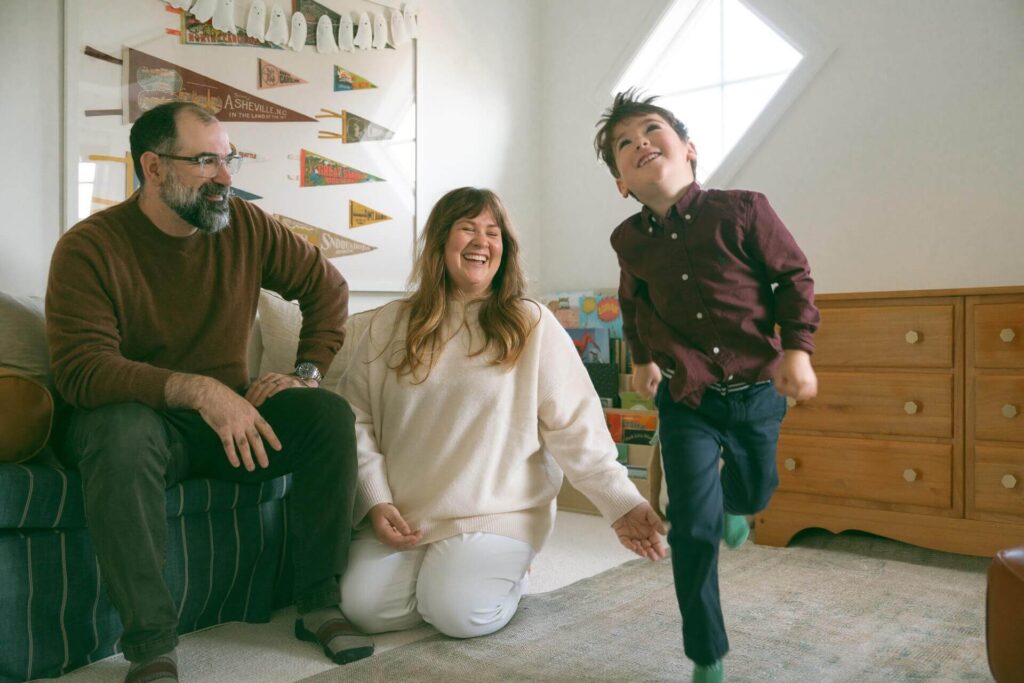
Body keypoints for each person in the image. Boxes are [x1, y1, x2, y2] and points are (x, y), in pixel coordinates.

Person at [46, 101, 372, 683]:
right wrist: (195, 389)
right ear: (154, 168)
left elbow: (328, 288)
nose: (226, 177)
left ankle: (318, 602)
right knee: (120, 430)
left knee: (325, 417)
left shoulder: (246, 227)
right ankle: (151, 646)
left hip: (227, 428)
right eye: (205, 161)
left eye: (229, 159)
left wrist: (307, 373)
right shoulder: (89, 247)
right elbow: (81, 370)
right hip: (137, 428)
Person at [337, 187, 666, 640]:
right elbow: (355, 418)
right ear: (439, 241)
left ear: (504, 250)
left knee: (457, 613)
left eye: (493, 233)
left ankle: (510, 570)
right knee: (364, 610)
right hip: (406, 512)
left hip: (496, 511)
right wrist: (375, 497)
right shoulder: (387, 324)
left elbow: (576, 428)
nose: (481, 241)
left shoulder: (530, 323)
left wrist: (621, 502)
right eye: (467, 228)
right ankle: (450, 573)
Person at [593, 89, 820, 683]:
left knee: (755, 490)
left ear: (689, 150)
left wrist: (797, 350)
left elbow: (793, 277)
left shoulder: (744, 209)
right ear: (621, 181)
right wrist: (641, 360)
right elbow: (633, 303)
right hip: (687, 399)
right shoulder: (628, 241)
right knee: (690, 523)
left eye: (651, 130)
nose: (640, 142)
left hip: (756, 389)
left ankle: (738, 509)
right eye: (624, 143)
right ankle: (706, 653)